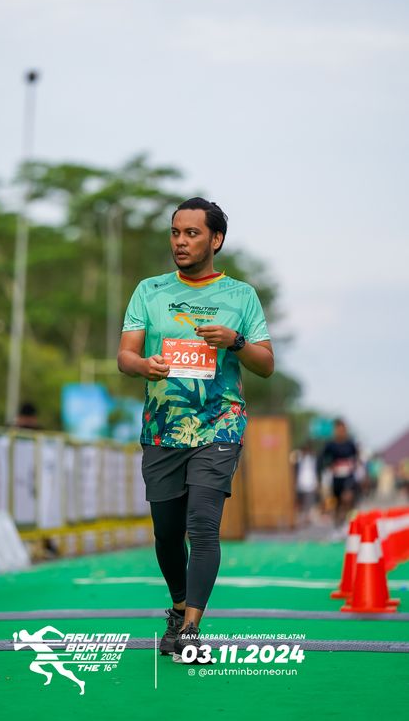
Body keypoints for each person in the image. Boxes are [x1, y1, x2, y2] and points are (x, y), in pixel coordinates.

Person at [117, 197, 273, 663]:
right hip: (162, 427)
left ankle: (190, 629)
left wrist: (236, 341)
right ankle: (178, 606)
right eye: (175, 232)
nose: (180, 242)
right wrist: (143, 365)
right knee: (167, 533)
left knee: (202, 526)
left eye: (192, 233)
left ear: (216, 239)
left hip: (220, 424)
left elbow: (266, 364)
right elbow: (125, 355)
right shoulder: (150, 290)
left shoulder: (241, 296)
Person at [318, 418, 359, 528]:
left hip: (348, 476)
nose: (341, 432)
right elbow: (321, 459)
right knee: (337, 502)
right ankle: (338, 524)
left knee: (347, 497)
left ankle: (348, 521)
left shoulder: (350, 444)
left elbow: (356, 458)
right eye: (338, 429)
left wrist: (354, 466)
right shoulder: (330, 445)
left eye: (342, 429)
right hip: (336, 478)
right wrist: (328, 466)